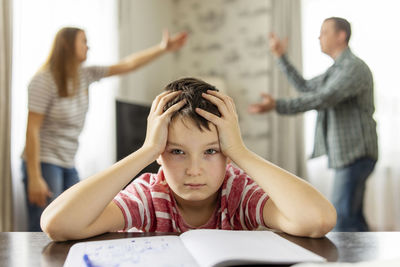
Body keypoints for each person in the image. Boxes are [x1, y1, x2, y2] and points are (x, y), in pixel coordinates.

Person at [41, 77, 336, 241]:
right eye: (177, 151)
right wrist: (145, 151)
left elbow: (318, 220)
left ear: (227, 154)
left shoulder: (237, 192)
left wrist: (241, 153)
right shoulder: (150, 195)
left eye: (211, 152)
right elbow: (58, 224)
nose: (194, 170)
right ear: (160, 154)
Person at [22, 27, 187, 231]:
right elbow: (32, 130)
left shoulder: (84, 75)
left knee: (75, 221)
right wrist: (35, 177)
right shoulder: (43, 81)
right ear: (66, 45)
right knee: (45, 228)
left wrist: (162, 49)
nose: (88, 46)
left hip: (67, 159)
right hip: (44, 161)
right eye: (83, 41)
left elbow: (127, 65)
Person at [248, 17, 378, 231]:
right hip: (349, 153)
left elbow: (324, 98)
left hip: (357, 153)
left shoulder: (353, 68)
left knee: (343, 219)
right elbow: (306, 87)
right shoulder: (336, 70)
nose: (319, 36)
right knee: (352, 217)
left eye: (325, 31)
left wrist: (277, 105)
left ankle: (342, 264)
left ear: (341, 35)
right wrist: (281, 56)